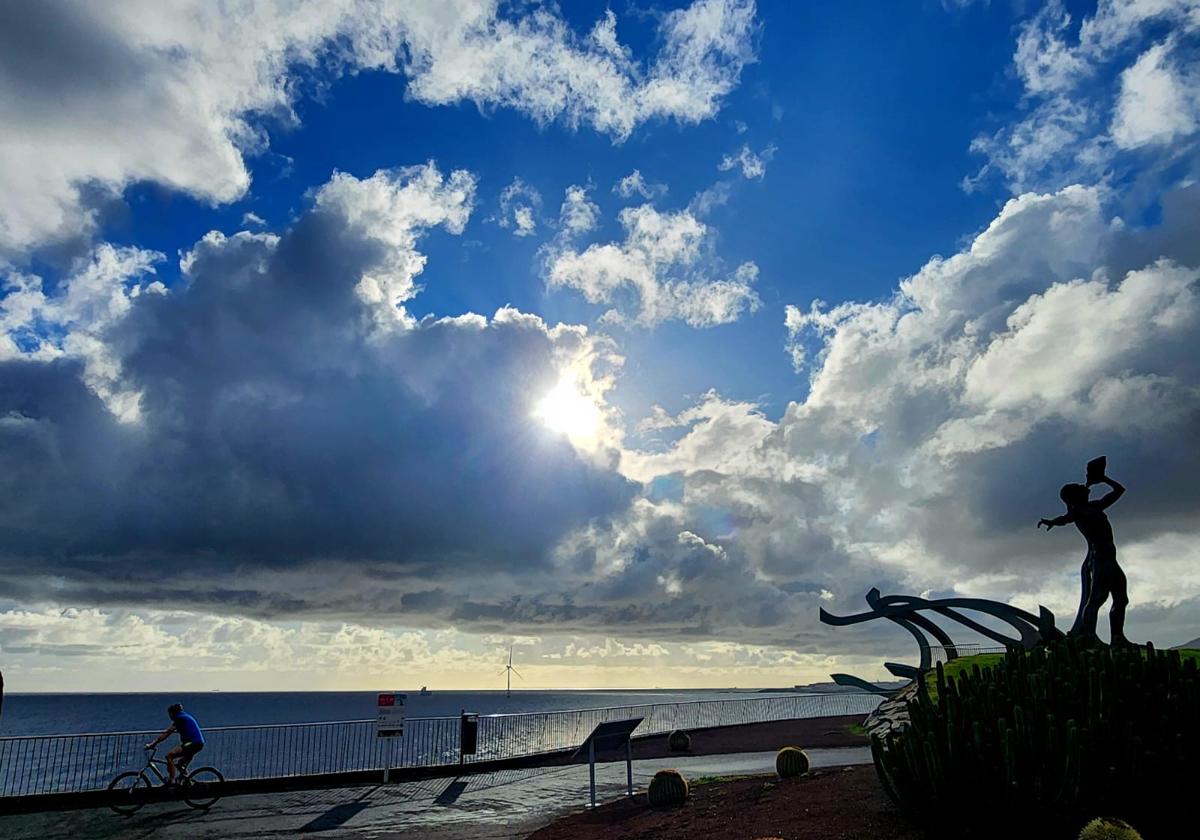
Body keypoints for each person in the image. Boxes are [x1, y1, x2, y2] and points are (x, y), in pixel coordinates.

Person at [1038, 469, 1129, 645]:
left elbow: (1119, 490)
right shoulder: (1078, 511)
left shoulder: (1094, 506)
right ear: (1074, 496)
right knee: (1096, 599)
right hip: (1100, 559)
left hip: (1111, 559)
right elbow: (1065, 518)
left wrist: (1104, 478)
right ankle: (1088, 636)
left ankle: (1118, 638)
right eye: (1079, 487)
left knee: (1121, 599)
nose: (1084, 486)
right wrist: (1051, 522)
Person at [145, 703, 205, 785]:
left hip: (192, 743)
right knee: (180, 763)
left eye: (169, 714)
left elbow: (167, 733)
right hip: (197, 743)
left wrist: (153, 744)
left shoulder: (179, 718)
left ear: (172, 713)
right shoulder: (185, 716)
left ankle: (171, 781)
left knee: (169, 756)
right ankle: (187, 782)